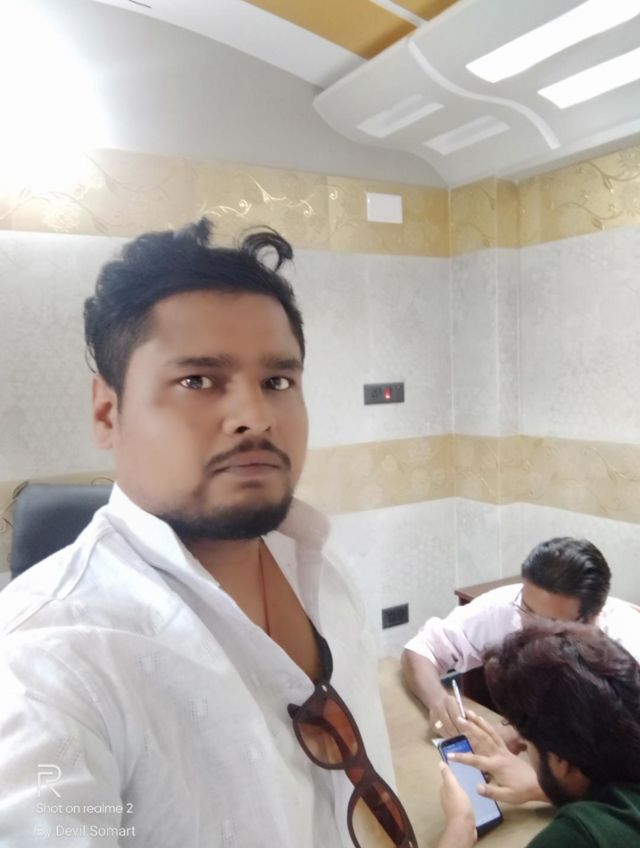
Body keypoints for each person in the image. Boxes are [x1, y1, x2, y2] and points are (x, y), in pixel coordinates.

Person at [0, 220, 415, 847]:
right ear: (108, 413)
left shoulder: (323, 571)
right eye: (198, 381)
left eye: (278, 381)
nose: (256, 416)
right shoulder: (46, 666)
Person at [401, 537, 640, 737]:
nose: (532, 628)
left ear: (592, 617)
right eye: (527, 609)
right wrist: (437, 700)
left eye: (551, 623)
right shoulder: (505, 605)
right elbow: (422, 649)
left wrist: (521, 736)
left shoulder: (627, 644)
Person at [436, 622, 640, 847]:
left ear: (561, 762)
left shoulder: (578, 836)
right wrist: (539, 788)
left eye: (526, 745)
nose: (522, 746)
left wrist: (459, 825)